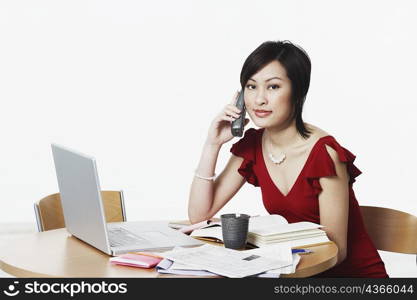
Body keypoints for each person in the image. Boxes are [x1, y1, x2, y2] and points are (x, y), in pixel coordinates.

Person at [188, 40, 388, 278]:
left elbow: (338, 251)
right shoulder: (252, 146)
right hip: (292, 275)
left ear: (298, 91)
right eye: (251, 87)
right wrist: (213, 144)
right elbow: (199, 216)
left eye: (273, 87)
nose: (259, 99)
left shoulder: (324, 154)